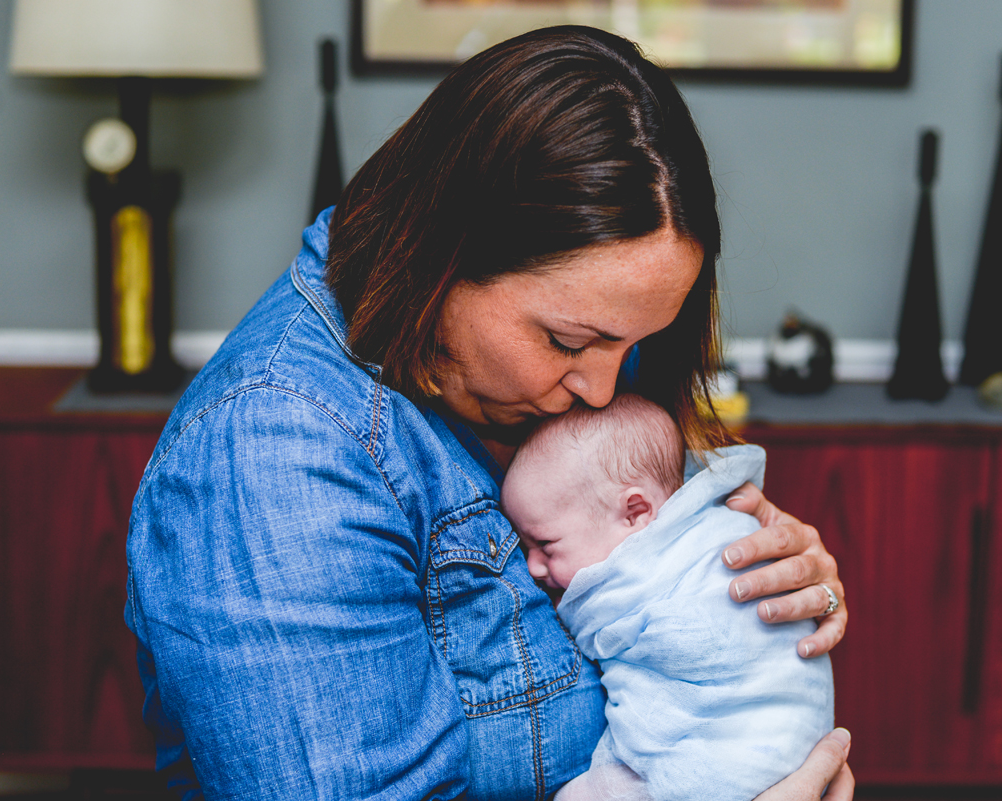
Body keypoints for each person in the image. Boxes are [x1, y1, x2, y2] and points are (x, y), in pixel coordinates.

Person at [124, 25, 852, 801]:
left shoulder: (563, 370)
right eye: (570, 340)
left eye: (637, 343)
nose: (605, 388)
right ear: (443, 252)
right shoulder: (276, 456)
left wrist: (758, 590)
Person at [502, 394, 835, 801]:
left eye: (546, 545)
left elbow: (599, 629)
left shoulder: (694, 551)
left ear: (635, 512)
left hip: (732, 751)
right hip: (799, 744)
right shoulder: (694, 517)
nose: (532, 567)